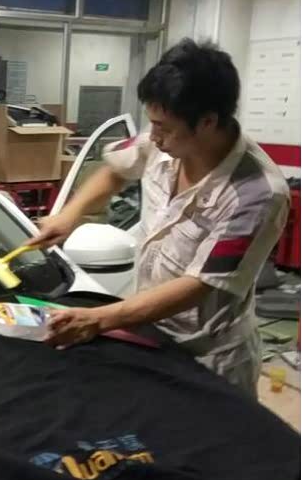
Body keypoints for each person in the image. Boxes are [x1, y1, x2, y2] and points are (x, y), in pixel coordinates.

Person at [32, 38, 290, 397]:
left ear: (207, 122)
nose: (152, 136)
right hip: (148, 331)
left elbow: (199, 285)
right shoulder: (163, 140)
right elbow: (115, 170)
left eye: (163, 127)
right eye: (152, 123)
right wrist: (69, 215)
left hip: (207, 355)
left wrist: (99, 319)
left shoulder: (256, 193)